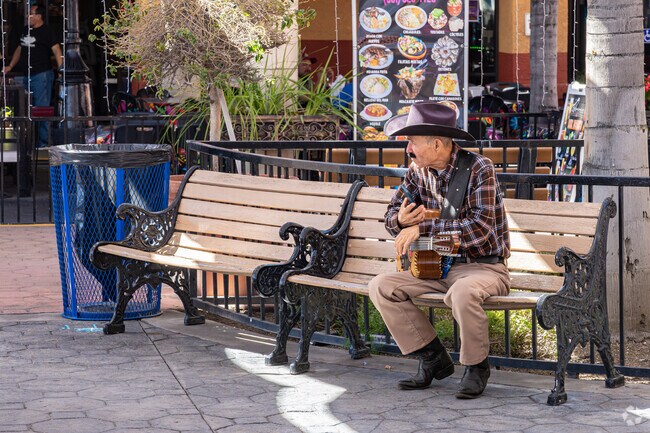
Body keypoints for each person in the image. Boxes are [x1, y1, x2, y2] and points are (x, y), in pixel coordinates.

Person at [368, 101, 510, 399]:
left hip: (482, 266)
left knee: (461, 293)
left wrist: (423, 229)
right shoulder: (417, 171)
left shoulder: (479, 168)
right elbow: (392, 216)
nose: (408, 149)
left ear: (435, 144)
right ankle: (433, 358)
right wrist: (400, 220)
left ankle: (476, 366)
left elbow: (480, 230)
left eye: (412, 142)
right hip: (433, 267)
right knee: (381, 286)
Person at [3, 3, 63, 148]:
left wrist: (61, 69)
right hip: (25, 75)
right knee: (21, 108)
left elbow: (56, 50)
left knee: (41, 108)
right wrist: (10, 66)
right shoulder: (25, 31)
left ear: (39, 16)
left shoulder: (47, 31)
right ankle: (24, 142)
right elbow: (19, 49)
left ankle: (44, 144)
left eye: (31, 14)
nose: (28, 16)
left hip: (41, 75)